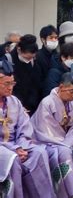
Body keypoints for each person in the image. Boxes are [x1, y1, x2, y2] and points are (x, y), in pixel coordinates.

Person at [0, 60, 55, 198]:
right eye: (7, 83)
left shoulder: (14, 102)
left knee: (39, 152)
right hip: (3, 148)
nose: (10, 87)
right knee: (13, 159)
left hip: (16, 144)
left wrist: (21, 146)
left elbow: (24, 128)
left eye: (12, 83)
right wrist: (14, 149)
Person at [9, 34, 42, 114]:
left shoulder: (34, 62)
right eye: (27, 58)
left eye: (32, 58)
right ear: (19, 49)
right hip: (14, 105)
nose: (29, 60)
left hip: (31, 106)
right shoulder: (9, 61)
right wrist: (19, 105)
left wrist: (31, 103)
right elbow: (10, 87)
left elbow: (36, 84)